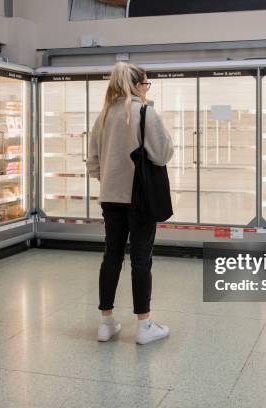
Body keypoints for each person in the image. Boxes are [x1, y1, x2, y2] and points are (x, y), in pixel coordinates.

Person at [87, 62, 174, 345]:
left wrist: (109, 181)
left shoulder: (103, 116)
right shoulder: (144, 112)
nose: (146, 89)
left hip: (110, 198)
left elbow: (92, 163)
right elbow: (162, 154)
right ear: (137, 85)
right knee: (141, 259)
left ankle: (106, 323)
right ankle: (144, 326)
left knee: (111, 256)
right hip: (139, 198)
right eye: (146, 84)